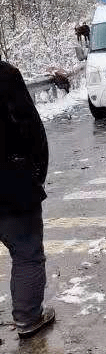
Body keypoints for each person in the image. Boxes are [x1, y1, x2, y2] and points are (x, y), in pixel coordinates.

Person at [0, 59, 55, 339]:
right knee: (27, 253)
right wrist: (35, 174)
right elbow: (31, 129)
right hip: (10, 184)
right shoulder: (5, 75)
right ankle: (27, 317)